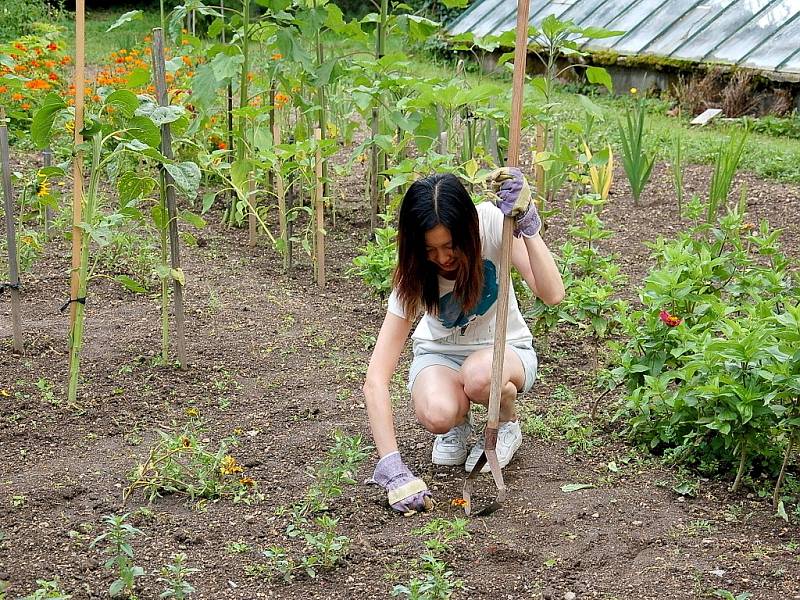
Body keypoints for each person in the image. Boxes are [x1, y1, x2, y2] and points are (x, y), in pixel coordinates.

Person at [363, 168, 565, 514]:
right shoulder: (412, 274)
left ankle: (504, 425)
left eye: (450, 246)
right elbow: (376, 379)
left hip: (505, 352)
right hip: (440, 356)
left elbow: (552, 294)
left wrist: (528, 227)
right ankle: (456, 427)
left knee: (481, 375)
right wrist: (391, 465)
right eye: (430, 249)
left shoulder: (491, 224)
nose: (442, 259)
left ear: (468, 232)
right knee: (437, 413)